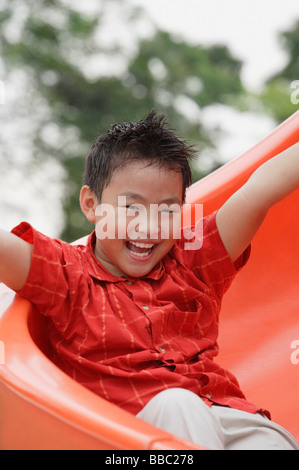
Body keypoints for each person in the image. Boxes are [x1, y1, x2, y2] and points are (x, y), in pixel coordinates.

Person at [1, 110, 298, 450]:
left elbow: (259, 191)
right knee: (178, 405)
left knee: (269, 441)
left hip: (228, 415)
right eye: (131, 207)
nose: (150, 226)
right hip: (137, 434)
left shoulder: (194, 259)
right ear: (91, 204)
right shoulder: (68, 274)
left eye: (168, 210)